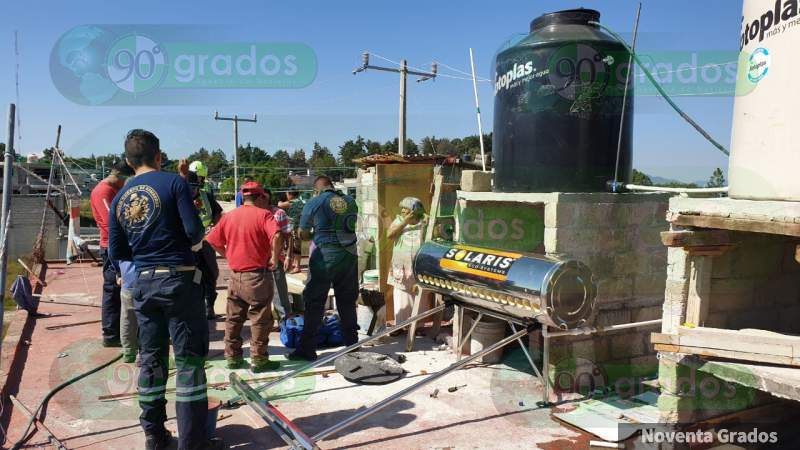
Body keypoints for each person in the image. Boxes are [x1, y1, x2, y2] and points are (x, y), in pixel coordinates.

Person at [108, 129, 219, 450]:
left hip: (142, 283)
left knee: (152, 360)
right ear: (159, 156)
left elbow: (117, 252)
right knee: (188, 362)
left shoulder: (120, 197)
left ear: (129, 162)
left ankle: (155, 437)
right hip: (179, 281)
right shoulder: (174, 183)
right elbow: (193, 231)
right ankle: (193, 443)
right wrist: (193, 245)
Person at [206, 182, 284, 372]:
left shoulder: (229, 217)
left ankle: (232, 357)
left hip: (235, 277)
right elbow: (278, 235)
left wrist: (227, 255)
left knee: (233, 318)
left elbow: (211, 240)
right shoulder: (264, 215)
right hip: (257, 276)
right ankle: (259, 360)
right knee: (260, 319)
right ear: (259, 197)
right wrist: (274, 258)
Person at [290, 175, 359, 361]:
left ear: (316, 189)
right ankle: (353, 346)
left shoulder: (315, 202)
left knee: (314, 302)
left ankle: (307, 349)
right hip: (349, 257)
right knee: (347, 302)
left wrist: (313, 234)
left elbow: (303, 233)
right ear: (332, 185)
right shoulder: (350, 201)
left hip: (324, 258)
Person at [90, 160, 133, 347]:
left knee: (122, 289)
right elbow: (111, 224)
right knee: (112, 290)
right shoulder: (103, 191)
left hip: (118, 245)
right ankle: (110, 334)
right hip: (111, 247)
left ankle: (120, 331)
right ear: (120, 176)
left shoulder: (113, 190)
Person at [182, 161, 223, 319]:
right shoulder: (179, 198)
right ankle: (193, 304)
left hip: (206, 242)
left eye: (195, 188)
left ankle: (209, 306)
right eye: (190, 188)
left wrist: (215, 228)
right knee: (192, 275)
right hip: (187, 244)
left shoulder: (207, 196)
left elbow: (218, 213)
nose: (192, 191)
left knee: (210, 273)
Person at [386, 197, 428, 324]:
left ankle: (417, 326)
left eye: (407, 208)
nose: (403, 211)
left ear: (415, 210)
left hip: (419, 266)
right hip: (401, 267)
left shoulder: (424, 222)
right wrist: (405, 222)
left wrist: (427, 218)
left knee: (419, 296)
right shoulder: (399, 221)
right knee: (401, 296)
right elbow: (390, 235)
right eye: (402, 208)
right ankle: (400, 325)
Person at [263, 189, 293, 322]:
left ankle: (285, 322)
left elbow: (288, 235)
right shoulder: (255, 214)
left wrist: (288, 256)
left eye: (265, 198)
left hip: (276, 259)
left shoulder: (278, 214)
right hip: (258, 259)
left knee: (279, 292)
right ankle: (264, 322)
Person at [278, 190, 304, 274]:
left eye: (287, 194)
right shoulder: (300, 201)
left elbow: (279, 205)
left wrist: (280, 199)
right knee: (296, 246)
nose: (286, 196)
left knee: (295, 247)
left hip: (294, 227)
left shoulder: (292, 202)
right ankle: (295, 264)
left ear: (291, 195)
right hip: (299, 226)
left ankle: (297, 266)